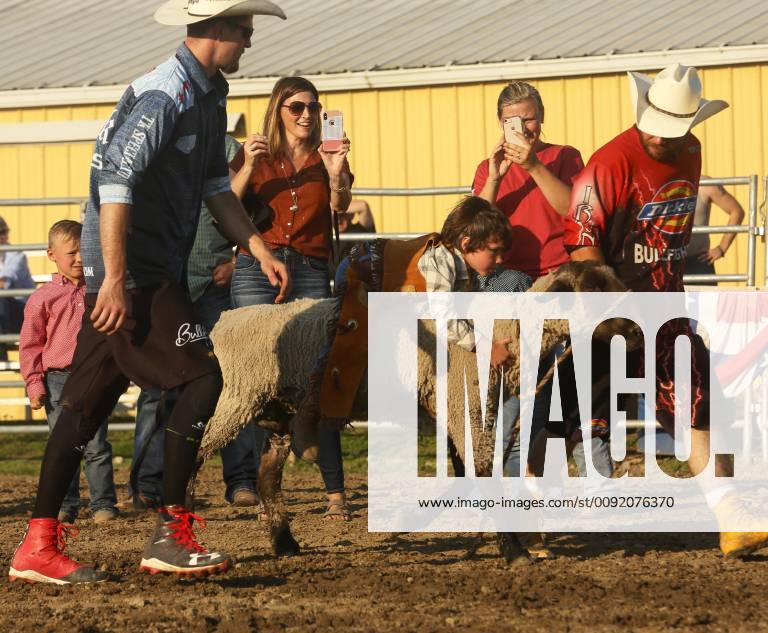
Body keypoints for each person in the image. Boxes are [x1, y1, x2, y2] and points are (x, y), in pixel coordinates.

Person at [9, 0, 290, 585]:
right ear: (217, 29)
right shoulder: (167, 95)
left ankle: (37, 546)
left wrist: (257, 247)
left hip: (143, 269)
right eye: (245, 31)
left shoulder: (209, 95)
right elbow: (116, 183)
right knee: (203, 378)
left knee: (82, 407)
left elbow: (215, 187)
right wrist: (114, 280)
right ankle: (170, 532)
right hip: (138, 271)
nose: (249, 41)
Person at [557, 62, 767, 558]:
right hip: (610, 311)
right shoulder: (607, 165)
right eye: (656, 126)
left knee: (697, 401)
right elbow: (582, 241)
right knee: (566, 411)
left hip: (665, 305)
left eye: (672, 129)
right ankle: (517, 504)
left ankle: (730, 515)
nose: (659, 137)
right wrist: (610, 306)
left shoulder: (690, 152)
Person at [228, 76, 354, 520]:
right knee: (257, 378)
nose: (306, 115)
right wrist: (248, 165)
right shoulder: (255, 154)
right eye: (296, 107)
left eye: (313, 107)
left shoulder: (327, 155)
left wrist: (336, 173)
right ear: (277, 111)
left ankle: (335, 491)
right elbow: (225, 204)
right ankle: (264, 491)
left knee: (317, 375)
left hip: (310, 267)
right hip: (257, 264)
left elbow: (341, 206)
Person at [471, 82, 609, 478]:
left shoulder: (564, 156)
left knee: (571, 386)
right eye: (512, 120)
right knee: (514, 392)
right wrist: (495, 178)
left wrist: (533, 166)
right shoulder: (488, 168)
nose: (522, 127)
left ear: (542, 118)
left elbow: (574, 210)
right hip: (509, 286)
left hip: (559, 281)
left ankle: (595, 483)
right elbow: (474, 227)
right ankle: (504, 478)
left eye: (528, 118)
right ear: (500, 123)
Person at [123, 134, 264, 510]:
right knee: (158, 387)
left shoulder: (229, 149)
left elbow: (257, 214)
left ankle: (241, 480)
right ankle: (149, 484)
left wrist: (237, 262)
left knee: (232, 382)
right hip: (165, 285)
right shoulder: (149, 145)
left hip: (212, 282)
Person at [20, 220, 118, 525]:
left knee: (97, 443)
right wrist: (35, 384)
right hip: (57, 380)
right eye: (71, 252)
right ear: (52, 254)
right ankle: (65, 504)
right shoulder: (42, 299)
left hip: (92, 376)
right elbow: (30, 345)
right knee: (63, 444)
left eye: (83, 251)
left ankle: (103, 504)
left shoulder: (100, 291)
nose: (79, 259)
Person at [684, 177, 745, 285]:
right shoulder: (662, 182)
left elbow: (737, 211)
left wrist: (721, 248)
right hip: (669, 263)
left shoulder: (705, 185)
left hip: (699, 262)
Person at [0, 216, 35, 357]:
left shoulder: (17, 256)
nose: (3, 236)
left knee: (1, 299)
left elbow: (3, 283)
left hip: (22, 313)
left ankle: (1, 355)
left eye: (4, 232)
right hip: (4, 316)